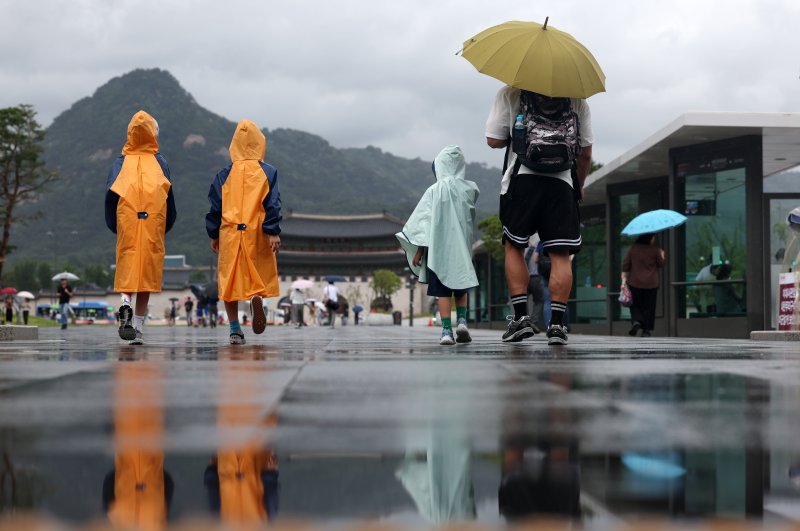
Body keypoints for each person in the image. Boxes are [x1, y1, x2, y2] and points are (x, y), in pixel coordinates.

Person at [486, 87, 593, 346]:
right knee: (560, 254)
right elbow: (586, 153)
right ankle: (556, 325)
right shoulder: (577, 99)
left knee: (514, 246)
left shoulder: (510, 92)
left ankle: (520, 319)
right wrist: (579, 185)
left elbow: (493, 140)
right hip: (562, 183)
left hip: (522, 180)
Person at [105, 110, 177, 345]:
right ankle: (137, 326)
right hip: (153, 221)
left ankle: (125, 302)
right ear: (152, 133)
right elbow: (169, 198)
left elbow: (110, 198)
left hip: (127, 220)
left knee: (128, 265)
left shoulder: (119, 163)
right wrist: (166, 224)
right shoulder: (160, 162)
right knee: (147, 272)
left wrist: (115, 226)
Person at [207, 119, 281, 345]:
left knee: (229, 282)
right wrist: (273, 231)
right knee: (256, 272)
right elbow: (273, 203)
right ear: (259, 142)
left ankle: (234, 330)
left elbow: (215, 207)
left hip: (230, 231)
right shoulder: (268, 171)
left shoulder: (224, 174)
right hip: (257, 230)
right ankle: (256, 296)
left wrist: (214, 234)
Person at [396, 145, 480, 345]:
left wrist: (419, 250)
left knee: (442, 292)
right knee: (461, 286)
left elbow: (423, 223)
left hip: (438, 251)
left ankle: (446, 331)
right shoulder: (469, 189)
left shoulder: (433, 191)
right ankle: (462, 321)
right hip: (461, 250)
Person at [622, 233, 665, 337]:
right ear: (649, 238)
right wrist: (662, 255)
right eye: (653, 237)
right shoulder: (655, 250)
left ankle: (637, 321)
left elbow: (625, 264)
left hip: (635, 282)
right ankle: (646, 330)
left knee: (635, 304)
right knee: (649, 307)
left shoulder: (632, 249)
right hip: (651, 283)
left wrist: (625, 276)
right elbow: (661, 264)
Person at [524, 237, 545, 332]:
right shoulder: (538, 248)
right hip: (536, 277)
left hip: (524, 278)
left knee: (523, 300)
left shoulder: (522, 249)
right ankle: (533, 321)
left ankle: (525, 321)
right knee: (539, 300)